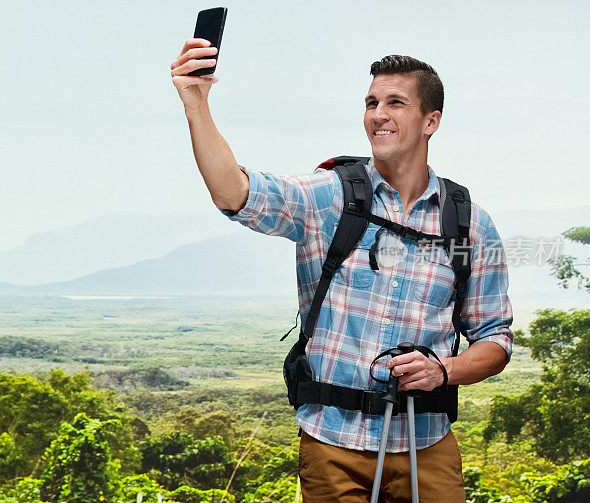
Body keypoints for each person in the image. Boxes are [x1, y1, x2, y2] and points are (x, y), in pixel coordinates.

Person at [170, 39, 513, 503]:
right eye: (372, 102)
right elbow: (236, 192)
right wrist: (196, 102)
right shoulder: (330, 198)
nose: (378, 114)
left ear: (431, 121)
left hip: (425, 445)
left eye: (396, 103)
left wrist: (444, 370)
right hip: (332, 444)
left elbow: (495, 340)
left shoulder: (469, 222)